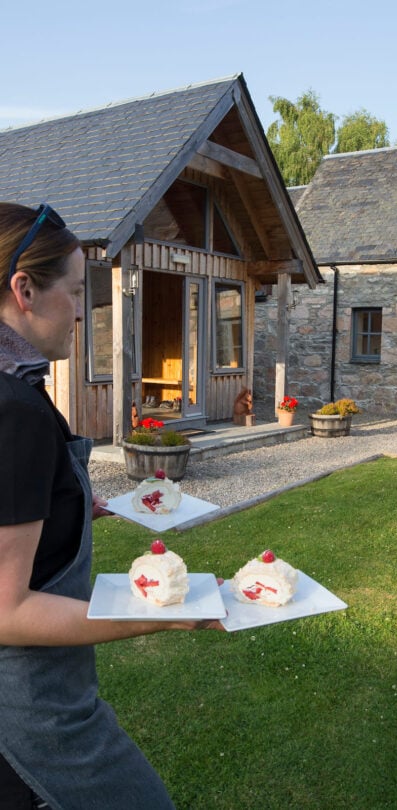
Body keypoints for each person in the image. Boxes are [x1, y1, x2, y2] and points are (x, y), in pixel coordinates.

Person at [0, 202, 223, 810]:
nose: (81, 311)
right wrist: (166, 615)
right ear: (24, 289)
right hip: (33, 710)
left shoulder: (18, 388)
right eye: (73, 292)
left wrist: (68, 504)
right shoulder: (13, 410)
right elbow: (6, 610)